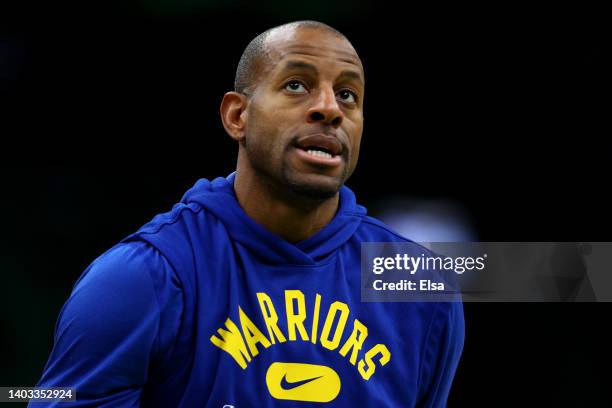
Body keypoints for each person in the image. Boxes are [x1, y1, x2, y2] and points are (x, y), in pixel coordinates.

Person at [31, 20, 464, 407]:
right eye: (297, 84)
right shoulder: (143, 279)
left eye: (348, 95)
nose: (329, 108)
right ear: (237, 115)